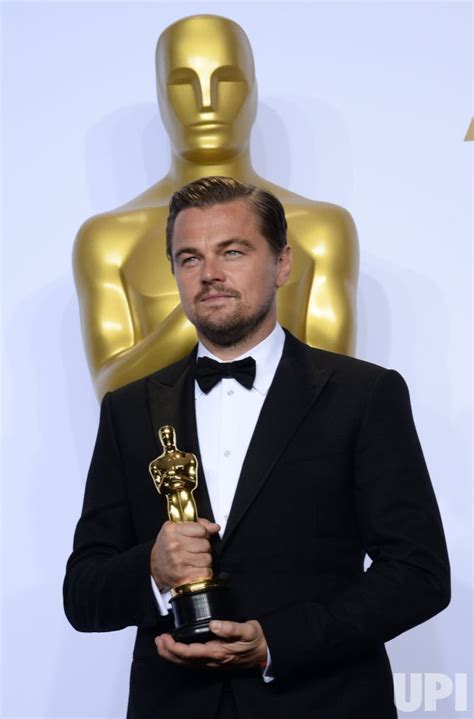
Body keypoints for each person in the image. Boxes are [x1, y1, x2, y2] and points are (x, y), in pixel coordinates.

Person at [64, 176, 450, 719]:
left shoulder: (364, 395)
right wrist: (150, 570)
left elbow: (419, 573)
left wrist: (278, 642)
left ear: (283, 263)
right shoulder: (128, 409)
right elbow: (82, 594)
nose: (210, 275)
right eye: (189, 258)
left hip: (323, 703)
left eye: (233, 251)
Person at [73, 14, 358, 399]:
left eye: (226, 79)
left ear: (253, 90)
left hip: (291, 456)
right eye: (182, 83)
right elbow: (113, 394)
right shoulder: (108, 239)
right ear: (160, 95)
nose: (206, 102)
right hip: (160, 455)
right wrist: (218, 302)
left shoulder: (321, 229)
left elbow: (335, 394)